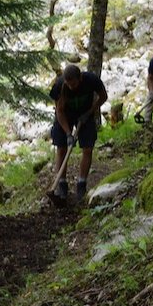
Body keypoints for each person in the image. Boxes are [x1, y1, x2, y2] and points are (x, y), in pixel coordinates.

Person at [49, 64, 108, 202]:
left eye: (74, 84)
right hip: (65, 116)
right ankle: (62, 185)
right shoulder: (59, 86)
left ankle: (81, 184)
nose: (71, 87)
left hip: (85, 113)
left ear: (80, 78)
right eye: (68, 84)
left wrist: (90, 112)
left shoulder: (91, 80)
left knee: (87, 148)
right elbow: (60, 111)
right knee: (62, 148)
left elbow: (103, 97)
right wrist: (69, 134)